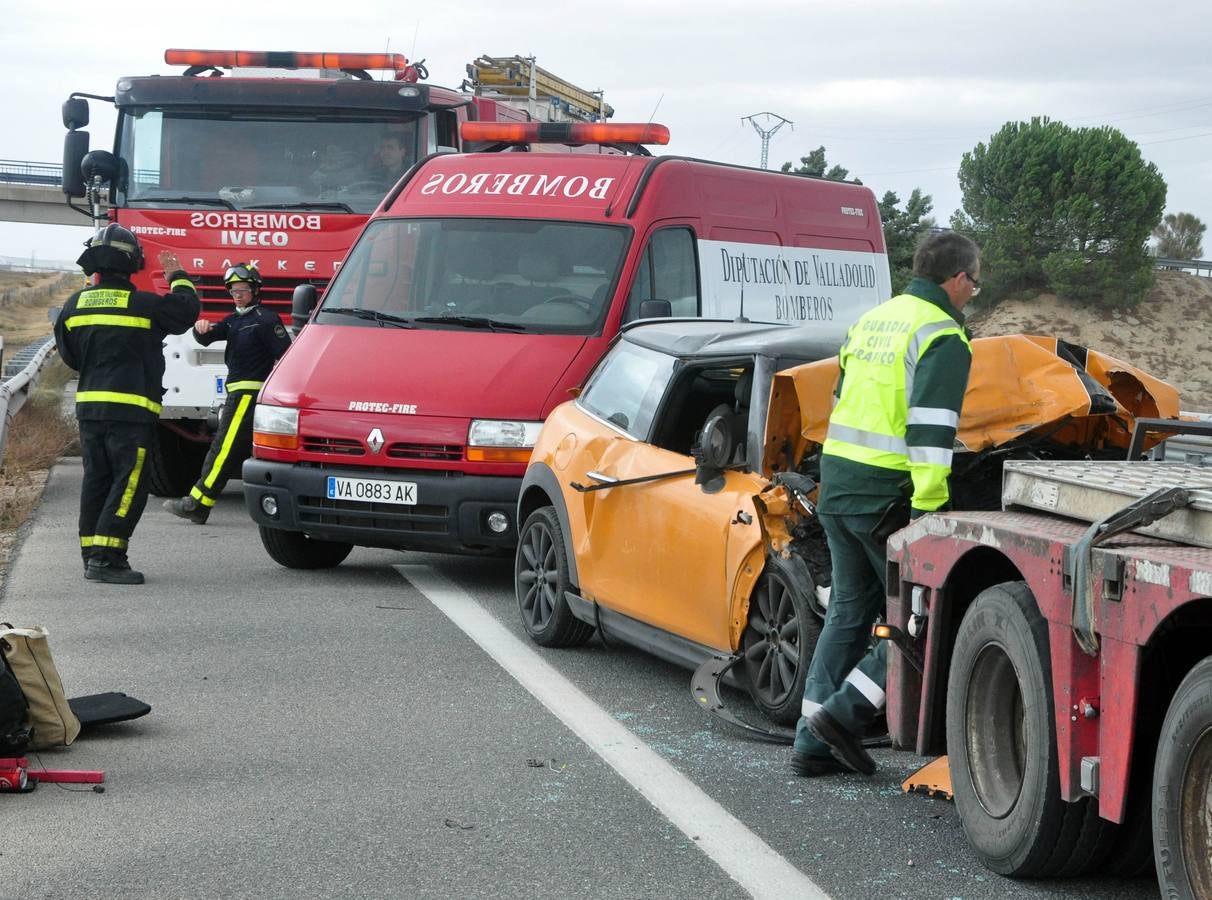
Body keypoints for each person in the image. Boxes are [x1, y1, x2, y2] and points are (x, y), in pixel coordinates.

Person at [790, 231, 980, 777]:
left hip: (839, 483)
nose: (974, 292)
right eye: (976, 281)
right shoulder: (942, 333)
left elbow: (842, 398)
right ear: (958, 278)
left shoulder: (875, 319)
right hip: (885, 494)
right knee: (916, 620)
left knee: (849, 610)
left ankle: (810, 740)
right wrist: (930, 507)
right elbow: (931, 429)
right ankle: (842, 717)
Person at [54, 225, 200, 585]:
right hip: (131, 414)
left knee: (97, 481)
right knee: (129, 483)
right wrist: (177, 276)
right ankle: (108, 558)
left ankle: (92, 554)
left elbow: (71, 356)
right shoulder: (145, 305)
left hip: (89, 409)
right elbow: (187, 312)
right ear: (133, 262)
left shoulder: (74, 304)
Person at [163, 263, 291, 525]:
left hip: (248, 394)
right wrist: (200, 329)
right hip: (236, 394)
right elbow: (208, 337)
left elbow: (287, 357)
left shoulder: (267, 320)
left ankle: (198, 503)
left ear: (255, 290)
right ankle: (200, 503)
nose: (238, 294)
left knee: (223, 449)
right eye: (233, 290)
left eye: (243, 289)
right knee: (226, 449)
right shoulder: (233, 321)